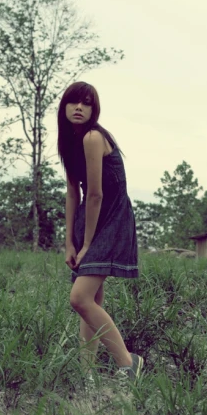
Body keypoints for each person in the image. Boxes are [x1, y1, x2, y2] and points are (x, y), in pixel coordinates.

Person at [57, 81, 144, 388]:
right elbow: (72, 194)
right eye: (73, 102)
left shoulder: (94, 137)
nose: (79, 108)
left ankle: (128, 364)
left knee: (79, 298)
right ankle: (86, 374)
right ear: (64, 107)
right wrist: (70, 242)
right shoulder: (69, 141)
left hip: (111, 216)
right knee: (90, 297)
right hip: (89, 219)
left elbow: (95, 194)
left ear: (94, 110)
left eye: (87, 103)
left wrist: (88, 245)